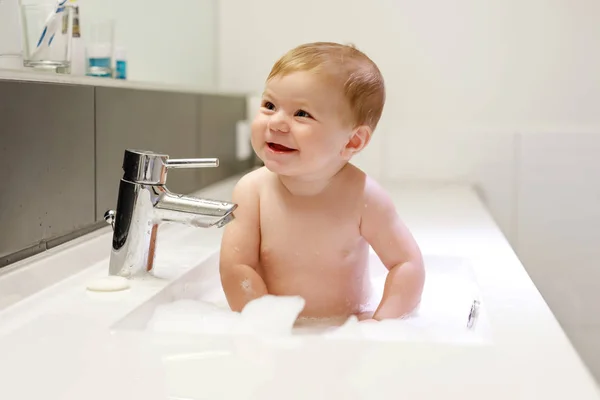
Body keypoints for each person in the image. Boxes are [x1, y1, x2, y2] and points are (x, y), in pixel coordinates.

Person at [219, 42, 424, 324]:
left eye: (301, 113)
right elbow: (236, 267)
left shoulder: (364, 197)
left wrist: (381, 325)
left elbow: (407, 265)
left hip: (346, 326)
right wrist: (265, 326)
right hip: (280, 332)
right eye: (269, 105)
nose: (277, 122)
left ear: (352, 141)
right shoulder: (252, 191)